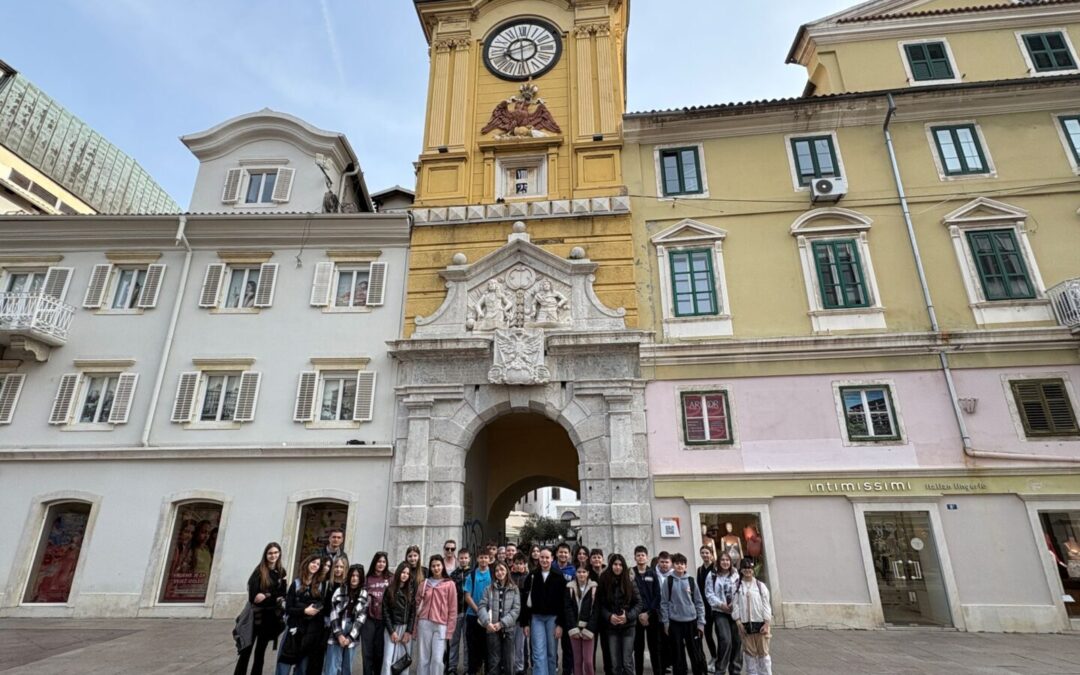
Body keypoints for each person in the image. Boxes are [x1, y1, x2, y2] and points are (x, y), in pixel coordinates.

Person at [235, 542, 287, 675]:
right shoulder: (259, 571)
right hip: (254, 617)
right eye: (270, 553)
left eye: (276, 553)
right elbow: (253, 597)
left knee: (260, 652)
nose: (273, 556)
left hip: (269, 618)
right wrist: (273, 597)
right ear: (265, 555)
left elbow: (282, 593)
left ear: (279, 554)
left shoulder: (281, 572)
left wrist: (266, 595)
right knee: (246, 651)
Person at [276, 554, 327, 675]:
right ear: (307, 563)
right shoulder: (296, 583)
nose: (315, 565)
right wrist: (304, 610)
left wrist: (311, 608)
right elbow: (288, 608)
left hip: (309, 631)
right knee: (285, 661)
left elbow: (320, 605)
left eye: (318, 564)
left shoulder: (320, 585)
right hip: (294, 628)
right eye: (313, 562)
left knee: (302, 666)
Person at [522, 547, 567, 675]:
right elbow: (525, 600)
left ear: (552, 558)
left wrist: (560, 624)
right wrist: (525, 623)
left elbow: (564, 602)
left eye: (547, 557)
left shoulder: (559, 576)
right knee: (538, 652)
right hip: (536, 618)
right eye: (542, 557)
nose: (544, 560)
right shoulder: (532, 576)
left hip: (553, 618)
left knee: (551, 653)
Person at [659, 554, 704, 675]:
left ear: (686, 566)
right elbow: (664, 603)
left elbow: (699, 603)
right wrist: (666, 623)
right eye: (677, 563)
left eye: (682, 564)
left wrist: (701, 623)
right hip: (675, 623)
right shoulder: (668, 581)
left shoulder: (691, 581)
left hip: (691, 622)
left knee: (695, 654)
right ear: (673, 565)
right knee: (677, 655)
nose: (680, 566)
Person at [596, 554, 640, 675]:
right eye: (615, 564)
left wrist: (628, 616)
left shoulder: (630, 581)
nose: (618, 567)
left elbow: (638, 603)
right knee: (615, 664)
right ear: (611, 565)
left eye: (620, 565)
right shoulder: (604, 581)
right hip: (611, 628)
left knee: (627, 662)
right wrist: (609, 616)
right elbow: (600, 604)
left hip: (628, 627)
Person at [416, 556, 459, 675]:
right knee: (423, 658)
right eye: (433, 566)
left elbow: (453, 609)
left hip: (441, 625)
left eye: (438, 565)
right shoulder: (424, 583)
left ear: (442, 566)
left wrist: (450, 631)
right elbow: (417, 604)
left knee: (437, 659)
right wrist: (414, 627)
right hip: (424, 623)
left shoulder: (450, 584)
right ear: (430, 568)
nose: (436, 568)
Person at [324, 563, 369, 675]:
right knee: (332, 666)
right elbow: (333, 613)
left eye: (357, 576)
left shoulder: (364, 594)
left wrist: (350, 637)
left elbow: (361, 618)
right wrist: (339, 634)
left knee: (346, 666)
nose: (354, 578)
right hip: (337, 628)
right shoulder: (339, 591)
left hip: (352, 629)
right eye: (353, 575)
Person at [479, 560, 521, 675]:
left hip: (508, 629)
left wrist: (502, 623)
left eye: (502, 569)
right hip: (492, 629)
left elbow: (516, 610)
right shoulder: (489, 589)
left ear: (507, 571)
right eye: (497, 570)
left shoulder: (514, 589)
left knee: (508, 661)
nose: (499, 572)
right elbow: (482, 606)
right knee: (494, 661)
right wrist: (487, 623)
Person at [730, 559, 771, 675]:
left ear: (753, 570)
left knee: (764, 656)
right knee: (749, 656)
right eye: (745, 568)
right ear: (741, 570)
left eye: (750, 568)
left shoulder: (760, 586)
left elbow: (766, 605)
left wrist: (767, 623)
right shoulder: (737, 586)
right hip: (745, 626)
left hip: (761, 624)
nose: (747, 570)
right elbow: (735, 605)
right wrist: (739, 624)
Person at [704, 553, 742, 675]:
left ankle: (735, 670)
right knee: (725, 640)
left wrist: (734, 604)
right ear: (718, 562)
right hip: (720, 612)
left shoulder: (735, 574)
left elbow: (739, 591)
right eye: (723, 560)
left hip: (735, 611)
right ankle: (720, 670)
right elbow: (709, 593)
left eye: (727, 560)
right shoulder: (712, 575)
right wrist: (721, 605)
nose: (725, 562)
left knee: (737, 641)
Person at [312, 556, 349, 675]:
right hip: (324, 622)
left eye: (341, 567)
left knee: (334, 657)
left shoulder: (346, 586)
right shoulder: (328, 583)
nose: (338, 569)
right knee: (319, 652)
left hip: (338, 623)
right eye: (336, 567)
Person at [630, 546, 661, 675]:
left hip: (651, 616)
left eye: (643, 555)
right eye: (638, 555)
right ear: (635, 557)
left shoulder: (652, 573)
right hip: (636, 616)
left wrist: (648, 613)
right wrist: (638, 614)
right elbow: (630, 595)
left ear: (647, 557)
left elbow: (657, 595)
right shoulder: (631, 573)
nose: (640, 557)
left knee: (654, 648)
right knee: (638, 648)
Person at [381, 563, 416, 675]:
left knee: (403, 659)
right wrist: (391, 631)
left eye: (407, 573)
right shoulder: (389, 590)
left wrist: (409, 631)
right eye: (403, 572)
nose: (405, 575)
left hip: (405, 629)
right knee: (388, 659)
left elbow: (412, 613)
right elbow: (385, 612)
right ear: (398, 572)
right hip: (392, 628)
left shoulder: (411, 591)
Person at [362, 552, 392, 675]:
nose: (381, 564)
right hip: (368, 618)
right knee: (367, 652)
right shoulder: (367, 578)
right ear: (374, 562)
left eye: (384, 562)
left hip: (384, 619)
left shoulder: (390, 578)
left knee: (379, 652)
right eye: (379, 561)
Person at [564, 565, 598, 675]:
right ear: (575, 573)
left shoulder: (594, 588)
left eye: (584, 572)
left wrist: (589, 629)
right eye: (579, 572)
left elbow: (596, 610)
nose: (581, 574)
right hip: (574, 628)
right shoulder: (569, 587)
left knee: (588, 662)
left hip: (588, 629)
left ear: (588, 573)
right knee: (577, 661)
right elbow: (568, 609)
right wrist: (573, 628)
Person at [464, 550, 494, 675]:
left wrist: (485, 614)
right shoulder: (471, 575)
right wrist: (479, 611)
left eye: (486, 557)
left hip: (489, 617)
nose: (483, 560)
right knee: (472, 648)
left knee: (487, 648)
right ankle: (473, 671)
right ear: (477, 559)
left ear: (489, 559)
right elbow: (467, 596)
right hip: (472, 615)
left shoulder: (493, 574)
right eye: (481, 557)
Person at [447, 548, 473, 675]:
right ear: (458, 559)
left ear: (469, 559)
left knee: (467, 642)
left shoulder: (473, 573)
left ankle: (467, 668)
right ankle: (452, 667)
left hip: (469, 612)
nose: (463, 560)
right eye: (461, 558)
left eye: (466, 558)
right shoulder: (453, 575)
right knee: (454, 642)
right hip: (456, 612)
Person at [553, 543, 576, 675]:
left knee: (567, 646)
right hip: (552, 610)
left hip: (567, 611)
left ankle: (567, 671)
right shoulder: (551, 567)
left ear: (569, 555)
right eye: (561, 552)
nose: (563, 554)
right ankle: (553, 666)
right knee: (552, 644)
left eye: (565, 552)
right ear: (557, 553)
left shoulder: (573, 570)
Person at [696, 546, 718, 670]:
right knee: (708, 634)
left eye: (707, 553)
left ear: (711, 554)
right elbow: (699, 589)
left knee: (720, 635)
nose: (705, 555)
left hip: (716, 606)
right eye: (703, 553)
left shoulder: (716, 568)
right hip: (705, 607)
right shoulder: (700, 570)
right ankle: (714, 657)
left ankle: (721, 659)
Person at [510, 553, 531, 675]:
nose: (518, 566)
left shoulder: (528, 578)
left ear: (525, 564)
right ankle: (510, 667)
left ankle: (520, 668)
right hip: (510, 617)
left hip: (522, 618)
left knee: (520, 646)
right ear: (513, 564)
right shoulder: (509, 577)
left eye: (521, 563)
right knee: (509, 645)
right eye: (516, 563)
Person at [654, 552, 675, 673]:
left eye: (667, 562)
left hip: (672, 612)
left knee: (671, 639)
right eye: (662, 562)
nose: (664, 564)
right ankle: (663, 665)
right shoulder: (653, 574)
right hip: (657, 612)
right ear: (658, 562)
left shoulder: (675, 575)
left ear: (671, 563)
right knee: (659, 641)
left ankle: (671, 662)